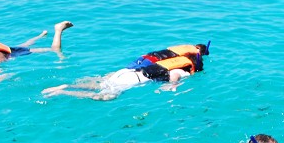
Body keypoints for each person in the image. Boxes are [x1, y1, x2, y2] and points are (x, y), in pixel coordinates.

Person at [42, 43, 209, 101]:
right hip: (131, 81)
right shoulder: (185, 69)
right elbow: (175, 75)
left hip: (125, 73)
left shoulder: (169, 62)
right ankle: (63, 91)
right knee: (106, 97)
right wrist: (173, 86)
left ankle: (66, 85)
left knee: (97, 85)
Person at [0, 21, 73, 62]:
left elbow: (3, 64)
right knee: (25, 44)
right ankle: (41, 35)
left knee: (54, 50)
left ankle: (58, 30)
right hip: (12, 49)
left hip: (18, 53)